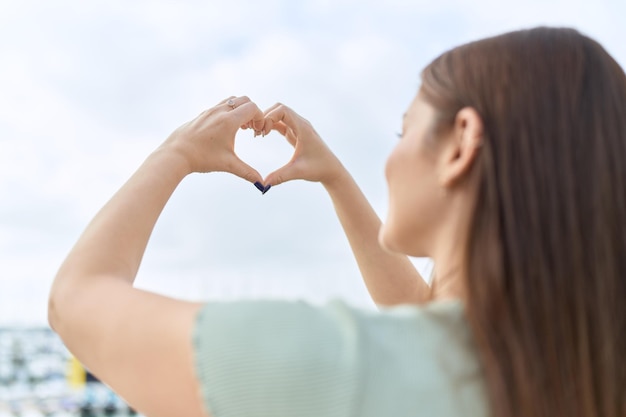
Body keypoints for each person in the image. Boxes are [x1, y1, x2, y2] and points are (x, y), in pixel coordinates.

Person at [48, 27, 625, 417]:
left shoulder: (331, 365)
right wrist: (335, 178)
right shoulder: (578, 369)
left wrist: (176, 152)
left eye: (403, 131)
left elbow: (75, 301)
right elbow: (429, 331)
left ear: (461, 144)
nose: (390, 159)